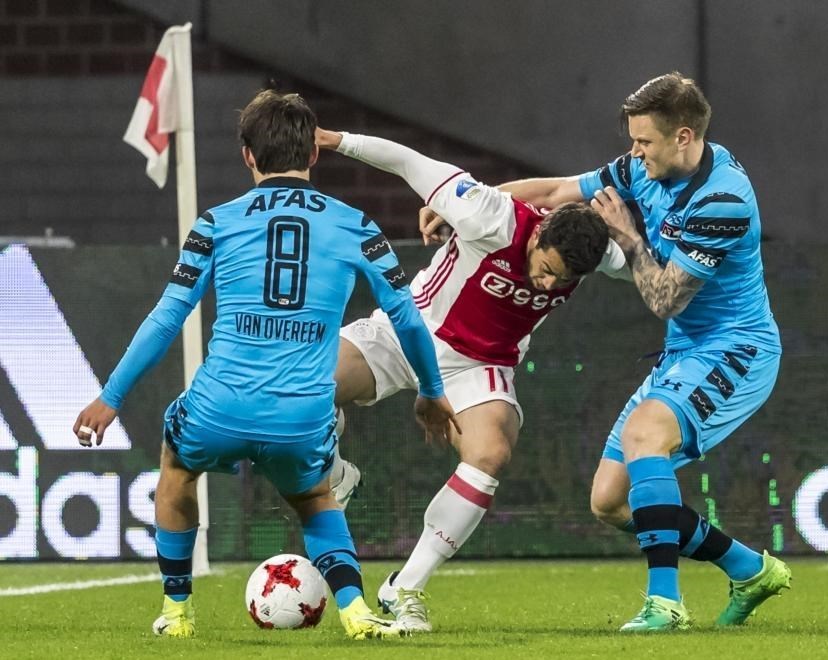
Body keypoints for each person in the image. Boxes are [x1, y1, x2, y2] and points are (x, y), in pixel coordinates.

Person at [72, 89, 459, 641]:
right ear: (314, 154)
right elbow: (409, 320)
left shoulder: (215, 223)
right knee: (315, 496)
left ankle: (177, 613)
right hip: (301, 416)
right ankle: (355, 611)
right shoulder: (357, 225)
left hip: (218, 407)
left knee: (177, 469)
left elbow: (167, 317)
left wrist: (110, 397)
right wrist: (431, 389)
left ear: (247, 155)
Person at [486, 71, 791, 632]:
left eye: (644, 141)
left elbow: (666, 299)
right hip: (684, 351)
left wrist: (627, 237)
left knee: (645, 435)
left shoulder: (723, 199)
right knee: (610, 501)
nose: (633, 152)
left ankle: (664, 604)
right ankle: (749, 569)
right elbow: (555, 192)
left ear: (683, 136)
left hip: (735, 348)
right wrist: (466, 204)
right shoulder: (642, 169)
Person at [314, 126, 632, 632]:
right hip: (408, 332)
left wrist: (640, 243)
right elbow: (407, 161)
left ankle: (405, 588)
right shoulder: (491, 216)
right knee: (305, 386)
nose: (548, 284)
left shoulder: (598, 256)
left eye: (562, 281)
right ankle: (334, 476)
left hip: (479, 366)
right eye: (546, 268)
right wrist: (336, 141)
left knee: (490, 453)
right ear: (539, 234)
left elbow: (658, 271)